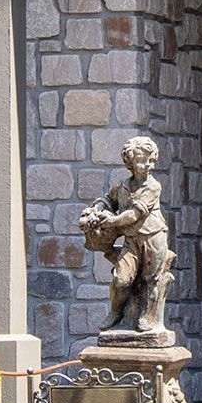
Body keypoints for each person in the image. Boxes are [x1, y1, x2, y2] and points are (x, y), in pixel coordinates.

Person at [78, 135, 175, 336]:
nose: (148, 165)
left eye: (151, 160)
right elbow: (107, 200)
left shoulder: (153, 187)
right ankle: (115, 311)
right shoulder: (122, 186)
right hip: (131, 241)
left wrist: (112, 221)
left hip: (153, 238)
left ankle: (145, 316)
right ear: (130, 163)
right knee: (121, 280)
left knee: (151, 279)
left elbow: (133, 214)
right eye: (141, 160)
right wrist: (96, 209)